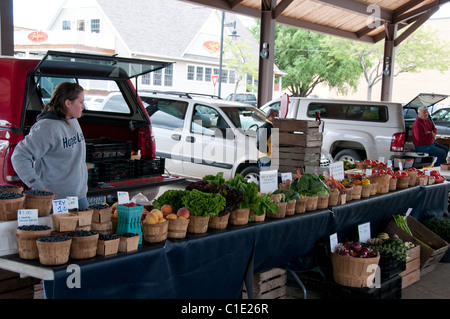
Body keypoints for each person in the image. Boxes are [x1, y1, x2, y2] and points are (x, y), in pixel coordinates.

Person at [12, 82, 89, 209]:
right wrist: (38, 187)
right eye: (80, 102)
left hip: (80, 197)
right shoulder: (46, 127)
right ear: (68, 103)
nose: (83, 106)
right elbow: (19, 156)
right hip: (56, 202)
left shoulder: (73, 120)